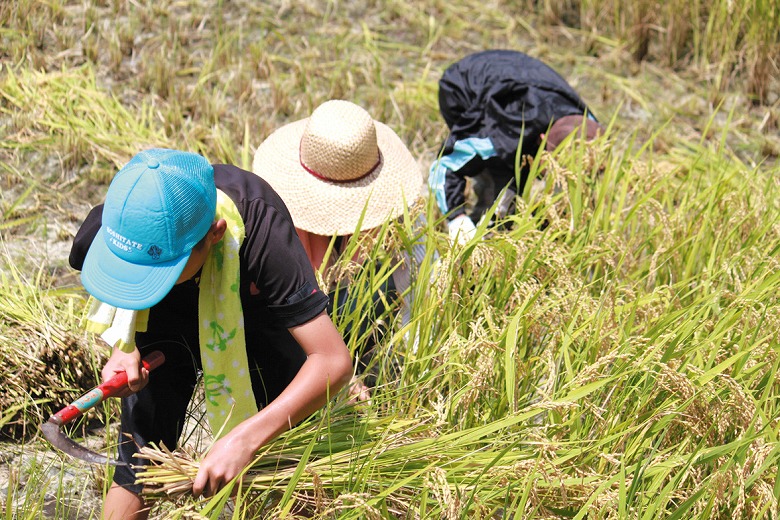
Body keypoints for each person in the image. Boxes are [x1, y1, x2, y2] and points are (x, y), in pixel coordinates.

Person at [68, 148, 353, 519]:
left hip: (253, 316)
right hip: (164, 315)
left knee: (278, 461)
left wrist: (245, 439)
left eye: (163, 269)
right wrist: (126, 346)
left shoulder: (262, 232)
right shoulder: (106, 227)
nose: (147, 280)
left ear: (215, 235)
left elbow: (332, 361)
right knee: (140, 459)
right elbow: (122, 288)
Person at [252, 100, 426, 390]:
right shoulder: (277, 220)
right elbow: (276, 311)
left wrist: (413, 360)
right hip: (298, 320)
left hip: (361, 303)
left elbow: (418, 284)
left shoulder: (400, 211)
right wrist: (333, 372)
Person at [428, 49, 604, 242]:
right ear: (542, 138)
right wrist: (457, 220)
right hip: (463, 83)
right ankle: (481, 232)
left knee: (523, 181)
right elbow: (445, 166)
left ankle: (502, 228)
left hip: (523, 75)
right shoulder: (506, 131)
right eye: (551, 164)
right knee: (502, 175)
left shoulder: (593, 134)